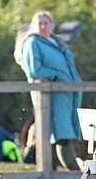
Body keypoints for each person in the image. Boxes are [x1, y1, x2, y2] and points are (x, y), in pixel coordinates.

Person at [14, 11, 83, 170]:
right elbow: (34, 70)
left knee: (59, 132)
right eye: (39, 23)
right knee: (61, 133)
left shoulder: (57, 43)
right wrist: (57, 75)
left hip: (66, 94)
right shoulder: (33, 43)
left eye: (46, 23)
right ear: (33, 26)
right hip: (50, 95)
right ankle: (73, 172)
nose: (43, 26)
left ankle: (51, 174)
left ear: (52, 25)